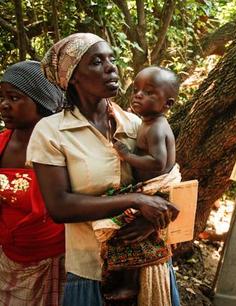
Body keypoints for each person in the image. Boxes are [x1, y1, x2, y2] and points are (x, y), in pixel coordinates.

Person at [26, 33, 180, 306]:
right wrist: (136, 200)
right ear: (72, 76)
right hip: (89, 271)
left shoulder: (137, 124)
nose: (111, 68)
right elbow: (60, 206)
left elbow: (170, 180)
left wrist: (151, 220)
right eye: (97, 61)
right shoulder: (51, 132)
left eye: (112, 59)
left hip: (147, 266)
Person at [92, 66, 181, 301]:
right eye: (137, 90)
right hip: (149, 190)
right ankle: (123, 279)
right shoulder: (145, 122)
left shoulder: (156, 127)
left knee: (129, 232)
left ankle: (128, 284)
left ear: (167, 104)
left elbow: (157, 161)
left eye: (149, 93)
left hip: (157, 188)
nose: (139, 95)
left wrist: (127, 155)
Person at [0, 60, 65, 306]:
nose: (4, 105)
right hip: (9, 261)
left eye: (14, 98)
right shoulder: (3, 143)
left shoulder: (60, 147)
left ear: (41, 103)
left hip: (51, 261)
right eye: (2, 97)